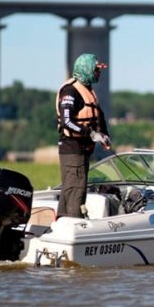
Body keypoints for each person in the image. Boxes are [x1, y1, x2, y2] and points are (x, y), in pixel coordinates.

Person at [56, 53, 111, 218]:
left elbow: (99, 115)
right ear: (86, 70)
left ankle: (62, 220)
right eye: (96, 70)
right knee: (76, 191)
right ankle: (73, 224)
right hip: (72, 149)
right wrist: (91, 134)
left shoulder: (88, 90)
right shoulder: (70, 91)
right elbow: (67, 121)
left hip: (83, 149)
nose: (98, 73)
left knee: (72, 189)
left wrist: (104, 135)